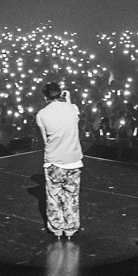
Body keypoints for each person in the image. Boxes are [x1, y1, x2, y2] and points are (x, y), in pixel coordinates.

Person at [36, 81, 83, 239]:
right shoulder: (73, 108)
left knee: (54, 197)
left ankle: (57, 229)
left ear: (45, 97)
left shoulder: (41, 114)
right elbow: (75, 121)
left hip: (54, 161)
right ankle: (70, 229)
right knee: (72, 196)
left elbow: (46, 140)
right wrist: (68, 100)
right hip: (74, 160)